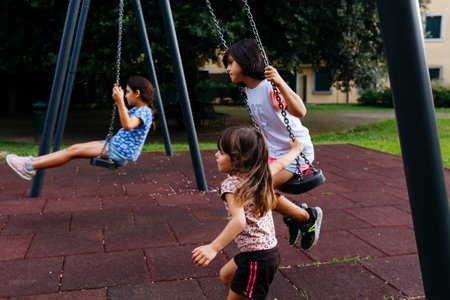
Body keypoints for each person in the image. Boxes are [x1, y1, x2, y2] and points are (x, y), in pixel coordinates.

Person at [222, 39, 322, 251]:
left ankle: (306, 217)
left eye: (231, 62)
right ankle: (298, 214)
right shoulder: (247, 90)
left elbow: (300, 112)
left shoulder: (270, 87)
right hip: (273, 152)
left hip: (296, 151)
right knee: (250, 187)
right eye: (226, 64)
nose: (227, 68)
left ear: (246, 61)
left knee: (254, 189)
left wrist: (280, 83)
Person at [192, 125, 304, 300]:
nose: (216, 155)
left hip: (256, 258)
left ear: (240, 159)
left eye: (221, 153)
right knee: (226, 276)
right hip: (265, 251)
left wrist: (213, 247)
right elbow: (282, 163)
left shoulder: (231, 186)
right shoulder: (261, 174)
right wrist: (297, 149)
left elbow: (239, 221)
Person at [6, 75, 154, 180]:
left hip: (118, 152)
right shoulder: (138, 110)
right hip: (113, 146)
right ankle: (30, 162)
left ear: (137, 93)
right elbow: (127, 116)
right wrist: (119, 98)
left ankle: (29, 167)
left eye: (128, 92)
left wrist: (120, 101)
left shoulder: (145, 111)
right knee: (72, 148)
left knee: (73, 151)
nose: (126, 95)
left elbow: (127, 125)